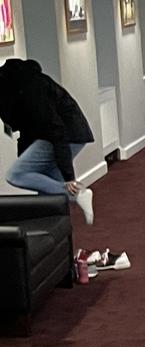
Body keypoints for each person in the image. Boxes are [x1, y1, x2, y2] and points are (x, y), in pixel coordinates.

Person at [0, 57, 96, 226]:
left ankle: (78, 194)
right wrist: (24, 154)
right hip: (61, 134)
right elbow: (26, 128)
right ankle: (58, 235)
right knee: (50, 194)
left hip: (65, 135)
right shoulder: (12, 89)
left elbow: (55, 129)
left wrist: (69, 177)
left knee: (15, 174)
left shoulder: (30, 89)